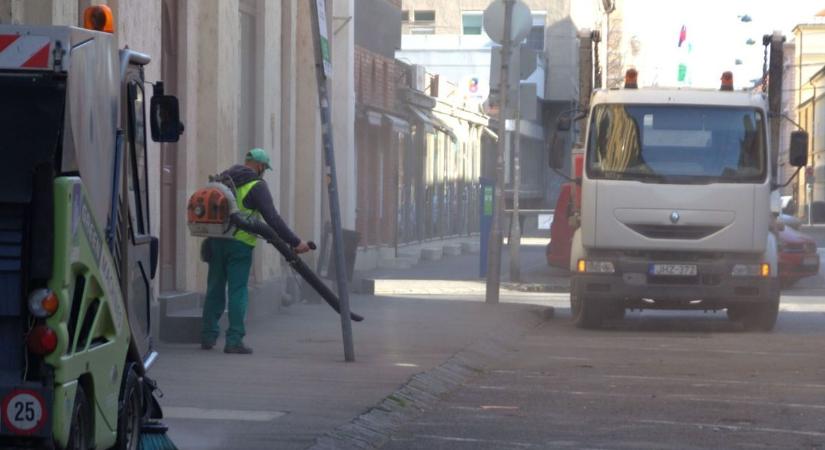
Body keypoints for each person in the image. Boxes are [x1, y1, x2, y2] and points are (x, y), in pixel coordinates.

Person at [202, 148, 310, 354]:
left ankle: (208, 335)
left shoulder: (223, 179)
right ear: (260, 166)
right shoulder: (256, 185)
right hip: (240, 245)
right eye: (264, 168)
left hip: (216, 240)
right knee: (237, 291)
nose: (264, 172)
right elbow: (273, 219)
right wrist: (295, 242)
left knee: (214, 288)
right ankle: (234, 340)